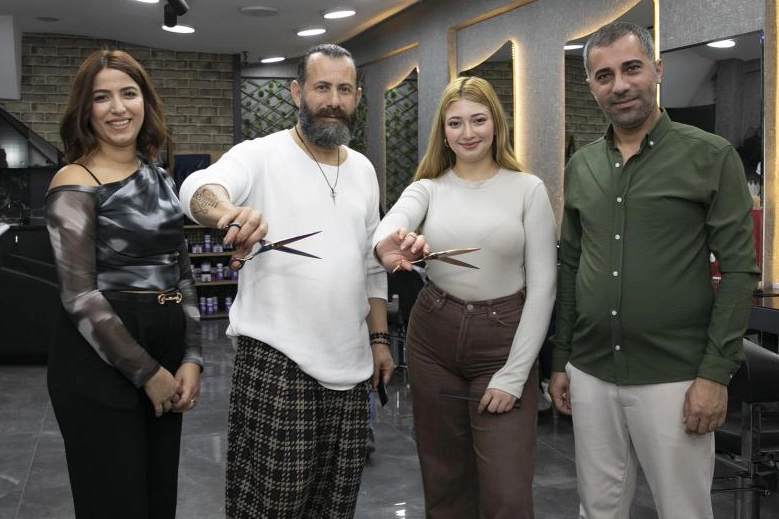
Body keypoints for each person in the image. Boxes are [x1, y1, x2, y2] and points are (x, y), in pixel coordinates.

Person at [549, 22, 760, 519]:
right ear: (592, 86)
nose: (619, 85)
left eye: (631, 69)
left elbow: (738, 271)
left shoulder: (710, 156)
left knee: (683, 511)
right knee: (598, 509)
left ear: (657, 70)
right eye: (604, 76)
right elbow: (571, 263)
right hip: (591, 369)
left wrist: (715, 375)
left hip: (675, 377)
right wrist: (561, 360)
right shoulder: (582, 166)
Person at [178, 43, 393, 518]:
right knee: (271, 506)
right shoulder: (261, 155)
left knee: (336, 503)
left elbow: (371, 264)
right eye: (322, 87)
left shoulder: (363, 170)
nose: (333, 100)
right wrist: (227, 212)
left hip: (351, 363)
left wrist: (379, 339)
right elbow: (195, 190)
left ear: (357, 97)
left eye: (344, 90)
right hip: (278, 361)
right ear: (297, 92)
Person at [374, 76, 558, 518]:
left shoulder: (528, 189)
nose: (468, 132)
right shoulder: (429, 187)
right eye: (455, 123)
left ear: (496, 124)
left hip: (503, 340)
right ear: (443, 131)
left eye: (478, 120)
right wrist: (388, 245)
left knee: (507, 496)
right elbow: (392, 223)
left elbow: (543, 288)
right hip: (433, 339)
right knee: (445, 485)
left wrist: (515, 374)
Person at [45, 49, 202, 519]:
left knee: (157, 500)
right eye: (102, 97)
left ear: (145, 102)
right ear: (85, 109)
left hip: (165, 348)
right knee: (114, 502)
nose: (118, 108)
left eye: (128, 94)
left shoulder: (161, 178)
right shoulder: (74, 180)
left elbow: (183, 272)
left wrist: (191, 357)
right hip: (100, 359)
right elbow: (78, 294)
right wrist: (148, 373)